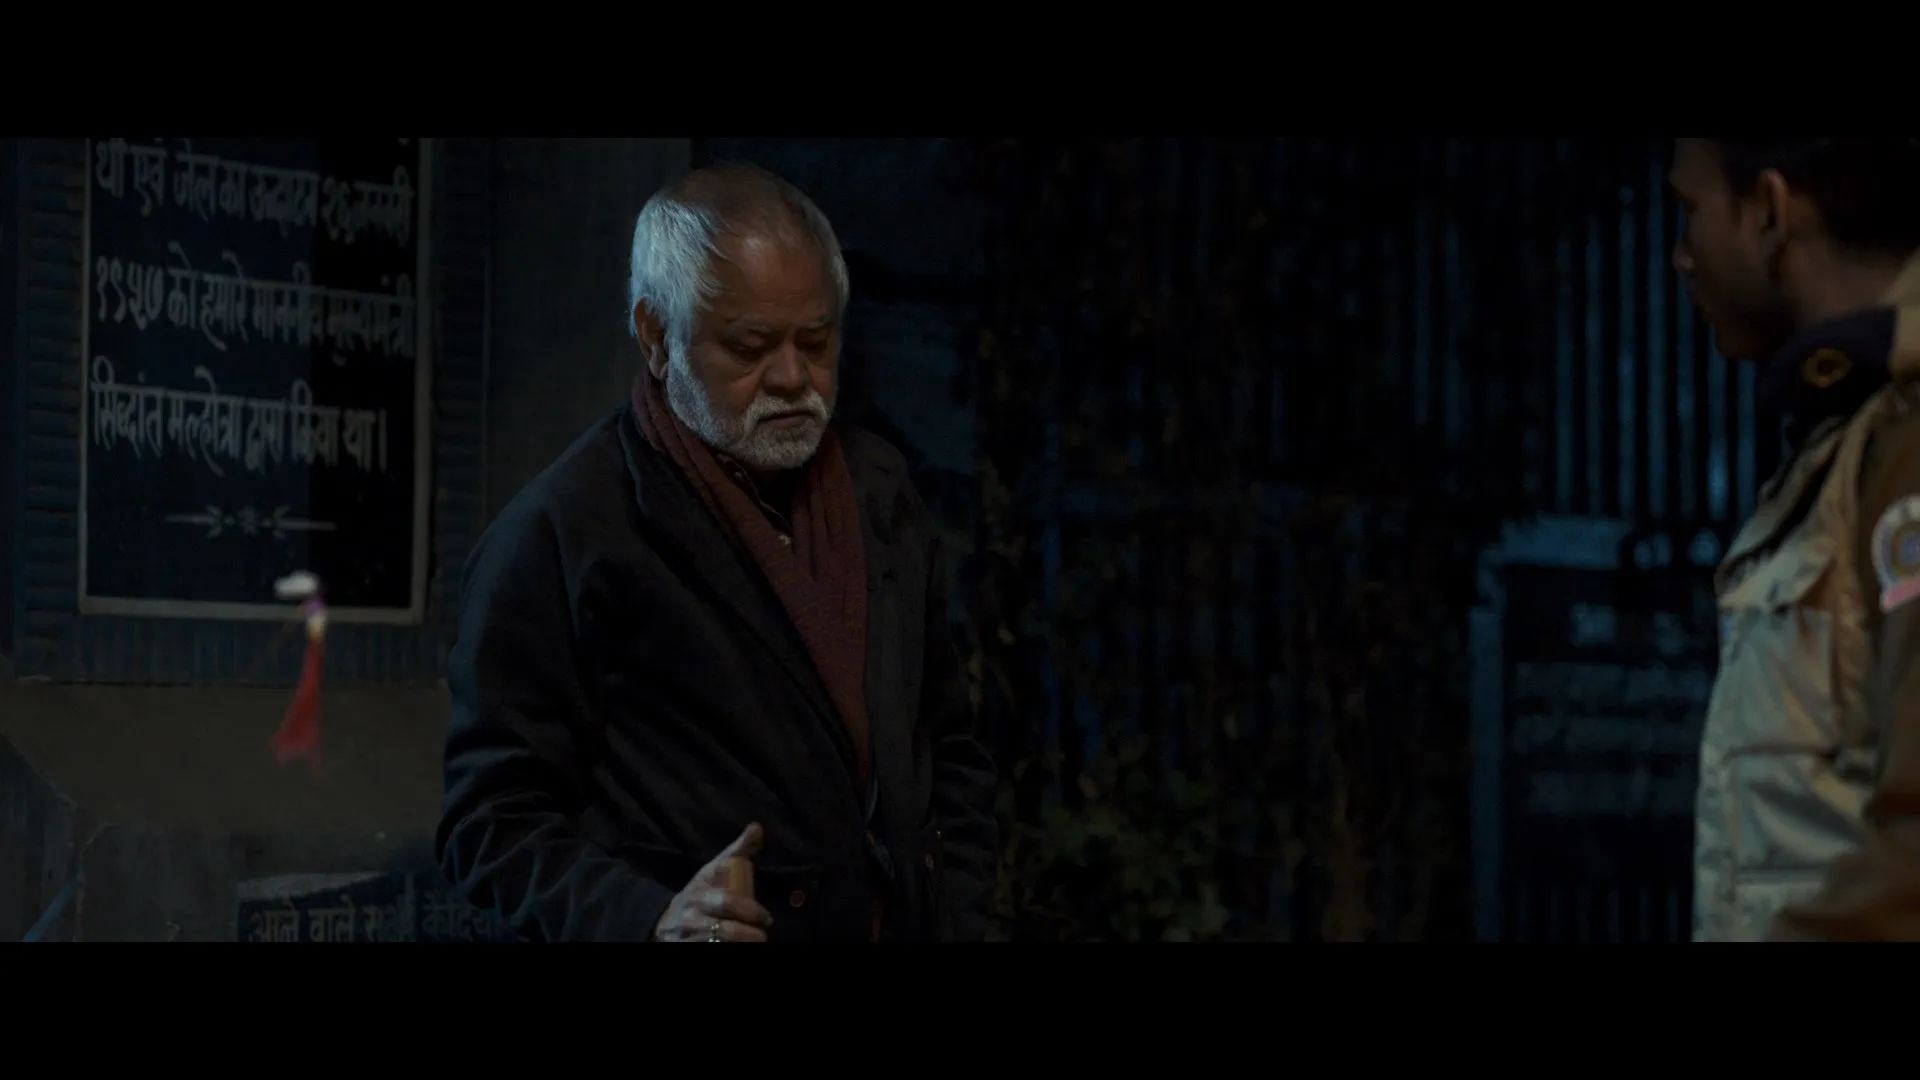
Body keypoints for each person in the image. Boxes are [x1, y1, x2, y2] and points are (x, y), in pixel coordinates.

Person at [436, 163, 998, 942]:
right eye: (751, 346)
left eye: (817, 342)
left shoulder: (879, 492)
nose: (793, 377)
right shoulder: (565, 531)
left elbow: (949, 751)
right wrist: (650, 917)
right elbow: (490, 820)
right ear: (655, 336)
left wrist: (957, 908)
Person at [1669, 137, 1920, 941]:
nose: (1681, 256)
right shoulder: (1853, 439)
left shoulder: (1905, 446)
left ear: (1770, 212)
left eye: (1689, 212)